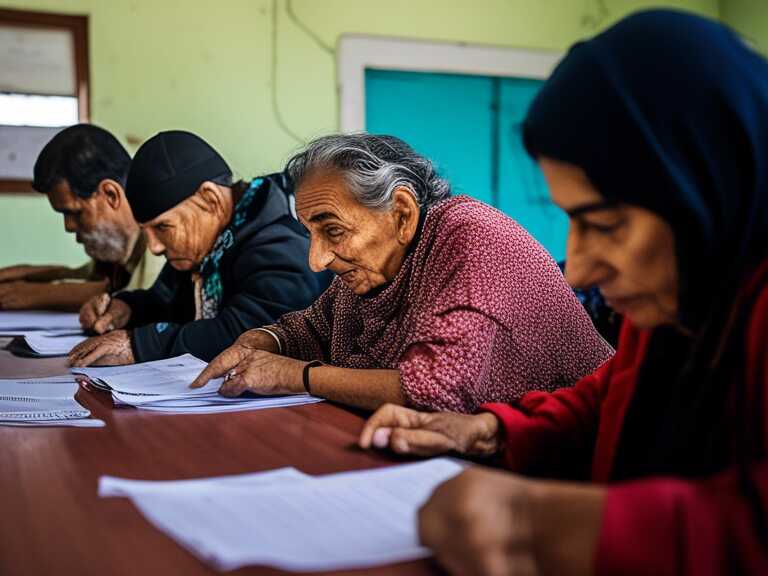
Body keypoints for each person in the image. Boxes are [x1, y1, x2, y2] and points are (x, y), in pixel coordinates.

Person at [358, 10, 768, 575]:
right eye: (572, 222)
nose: (575, 270)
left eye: (604, 224)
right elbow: (612, 397)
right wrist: (490, 429)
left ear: (706, 187)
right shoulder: (687, 297)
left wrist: (531, 524)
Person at [190, 134, 613, 412]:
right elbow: (313, 328)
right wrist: (264, 341)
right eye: (310, 234)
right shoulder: (372, 271)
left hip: (584, 465)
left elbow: (438, 388)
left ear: (402, 214)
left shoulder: (470, 237)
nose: (316, 260)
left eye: (332, 230)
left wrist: (293, 376)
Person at [69, 130, 328, 366]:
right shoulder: (204, 244)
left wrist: (137, 345)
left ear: (210, 199)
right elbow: (166, 301)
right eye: (145, 231)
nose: (154, 247)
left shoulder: (278, 239)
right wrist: (126, 308)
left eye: (162, 228)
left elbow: (254, 333)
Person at [0, 124, 163, 311]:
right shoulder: (119, 249)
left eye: (75, 212)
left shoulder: (161, 235)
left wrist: (33, 294)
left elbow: (135, 298)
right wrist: (24, 275)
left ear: (111, 195)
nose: (68, 226)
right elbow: (84, 277)